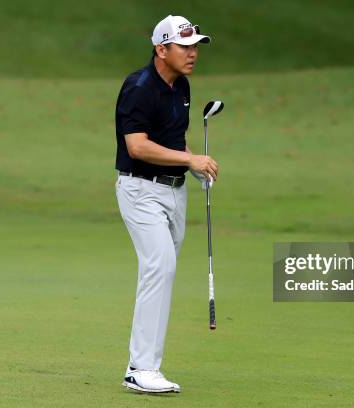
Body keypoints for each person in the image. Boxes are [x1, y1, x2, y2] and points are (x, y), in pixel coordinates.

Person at [114, 15, 219, 394]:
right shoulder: (139, 87)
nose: (192, 54)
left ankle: (138, 365)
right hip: (140, 190)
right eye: (185, 47)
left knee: (163, 271)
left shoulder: (182, 87)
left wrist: (193, 167)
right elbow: (136, 145)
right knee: (160, 267)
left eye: (195, 47)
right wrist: (190, 161)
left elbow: (176, 141)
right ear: (161, 49)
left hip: (174, 193)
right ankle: (142, 369)